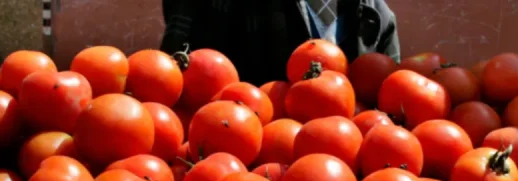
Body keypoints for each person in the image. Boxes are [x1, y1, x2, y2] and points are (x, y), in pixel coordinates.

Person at [161, 0, 401, 86]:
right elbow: (177, 86)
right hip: (242, 173)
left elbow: (393, 111)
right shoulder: (215, 5)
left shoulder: (376, 15)